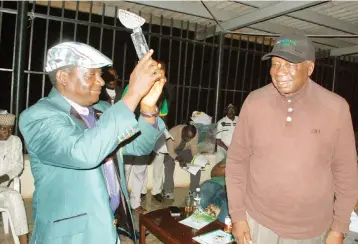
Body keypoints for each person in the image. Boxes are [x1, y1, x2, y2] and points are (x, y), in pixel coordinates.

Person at [19, 42, 166, 244]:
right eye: (91, 75)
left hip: (109, 225)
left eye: (100, 75)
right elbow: (83, 153)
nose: (101, 82)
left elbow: (139, 146)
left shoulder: (103, 110)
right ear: (63, 77)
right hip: (71, 236)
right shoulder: (38, 116)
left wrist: (148, 108)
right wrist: (132, 93)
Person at [226, 33, 358, 244]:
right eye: (276, 63)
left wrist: (339, 228)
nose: (280, 72)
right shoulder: (255, 102)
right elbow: (236, 162)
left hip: (311, 231)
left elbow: (347, 174)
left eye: (290, 65)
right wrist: (238, 216)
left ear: (310, 68)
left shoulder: (336, 109)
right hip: (258, 223)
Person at [0, 111, 28, 244]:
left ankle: (24, 241)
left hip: (3, 188)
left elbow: (18, 166)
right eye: (4, 129)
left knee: (15, 197)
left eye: (10, 129)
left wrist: (3, 178)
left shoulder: (15, 141)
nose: (8, 132)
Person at [164, 124, 199, 199]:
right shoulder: (172, 132)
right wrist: (180, 159)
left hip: (183, 150)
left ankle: (193, 191)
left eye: (190, 138)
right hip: (170, 151)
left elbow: (194, 150)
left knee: (196, 164)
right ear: (183, 131)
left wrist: (197, 159)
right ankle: (168, 191)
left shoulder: (194, 134)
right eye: (187, 137)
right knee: (169, 163)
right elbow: (170, 152)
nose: (188, 140)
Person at [199, 157, 228, 223]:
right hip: (215, 183)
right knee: (201, 200)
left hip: (230, 189)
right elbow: (213, 173)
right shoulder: (235, 154)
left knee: (225, 217)